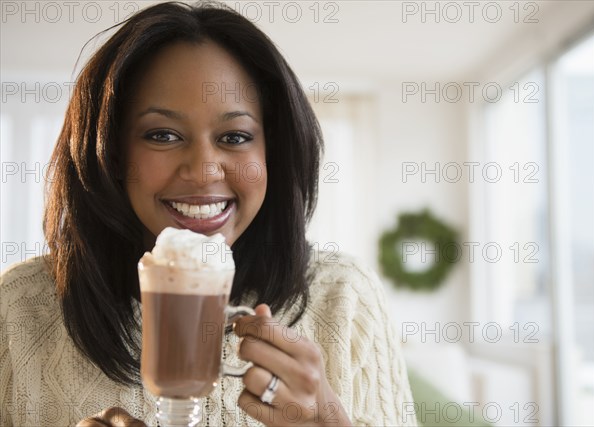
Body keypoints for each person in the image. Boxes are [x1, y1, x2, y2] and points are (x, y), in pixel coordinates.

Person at [0, 2, 416, 426]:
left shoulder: (345, 299)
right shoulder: (17, 307)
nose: (203, 171)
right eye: (162, 134)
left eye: (235, 136)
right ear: (108, 152)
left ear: (273, 151)